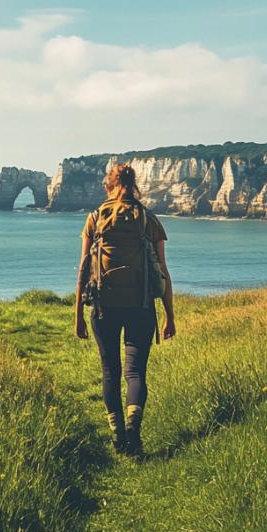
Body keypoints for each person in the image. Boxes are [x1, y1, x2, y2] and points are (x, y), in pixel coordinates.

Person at [75, 163, 176, 457]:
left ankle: (118, 436)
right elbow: (163, 272)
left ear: (109, 185)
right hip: (142, 307)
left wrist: (78, 312)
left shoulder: (95, 218)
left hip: (104, 308)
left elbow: (83, 269)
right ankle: (134, 431)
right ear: (134, 185)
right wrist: (170, 315)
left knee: (110, 372)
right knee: (135, 372)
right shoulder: (148, 219)